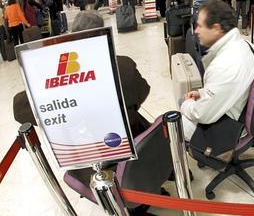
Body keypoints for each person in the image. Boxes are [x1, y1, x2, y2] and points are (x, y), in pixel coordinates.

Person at [13, 11, 151, 137]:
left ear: (72, 36)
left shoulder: (56, 82)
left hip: (84, 154)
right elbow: (143, 91)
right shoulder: (124, 66)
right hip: (132, 145)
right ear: (103, 35)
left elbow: (19, 110)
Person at [180, 0, 254, 140]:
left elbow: (204, 115)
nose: (196, 31)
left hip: (228, 125)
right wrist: (202, 93)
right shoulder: (248, 46)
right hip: (239, 108)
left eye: (200, 26)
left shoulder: (224, 65)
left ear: (216, 28)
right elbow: (226, 87)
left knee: (173, 118)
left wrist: (187, 104)